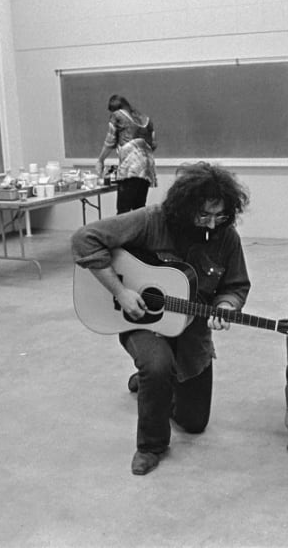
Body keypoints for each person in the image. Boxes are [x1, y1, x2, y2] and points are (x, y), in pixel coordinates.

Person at [71, 162, 251, 475]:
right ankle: (150, 446)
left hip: (191, 329)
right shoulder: (151, 220)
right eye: (203, 215)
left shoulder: (226, 237)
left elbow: (235, 286)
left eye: (219, 216)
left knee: (194, 424)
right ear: (185, 206)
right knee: (157, 365)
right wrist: (121, 291)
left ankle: (150, 386)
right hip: (139, 320)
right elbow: (84, 239)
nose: (211, 224)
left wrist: (226, 306)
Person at [94, 94, 157, 214]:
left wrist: (100, 160)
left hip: (130, 169)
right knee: (139, 210)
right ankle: (140, 233)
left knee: (123, 212)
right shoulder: (146, 119)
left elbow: (110, 141)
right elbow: (153, 144)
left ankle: (123, 233)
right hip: (147, 169)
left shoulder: (117, 115)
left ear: (114, 108)